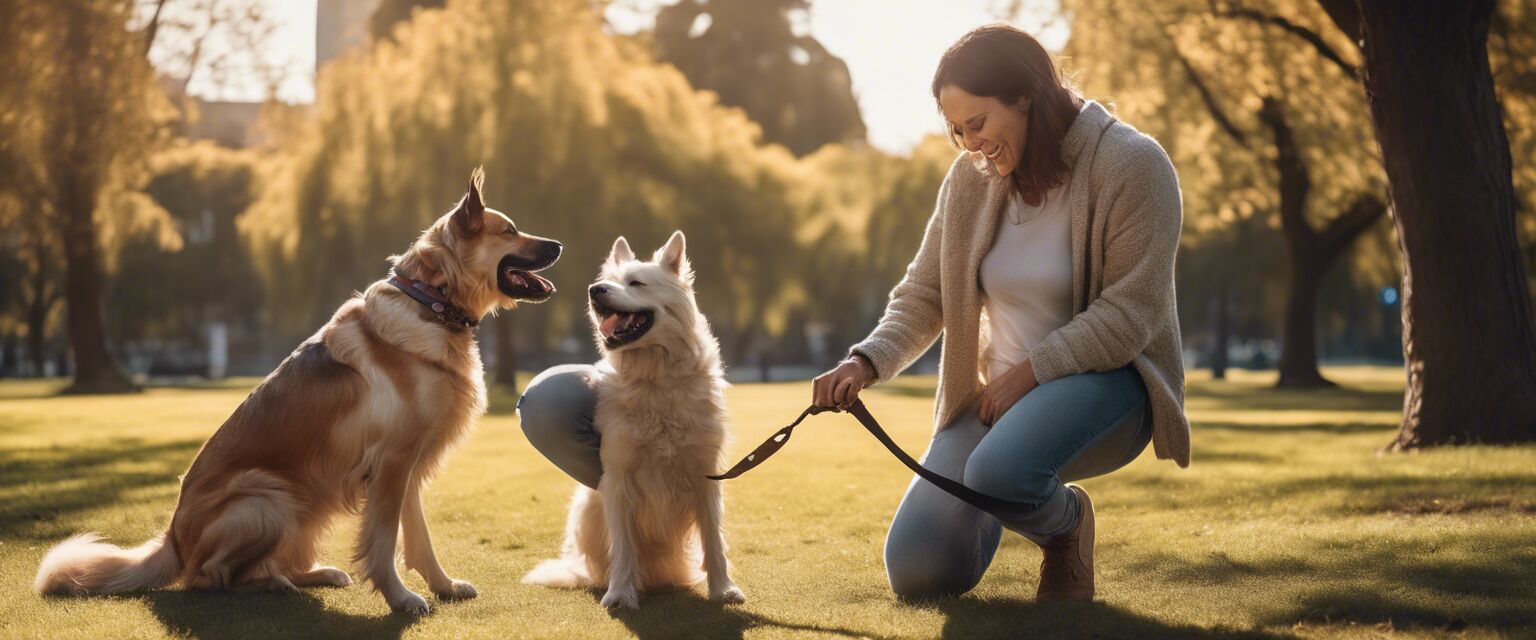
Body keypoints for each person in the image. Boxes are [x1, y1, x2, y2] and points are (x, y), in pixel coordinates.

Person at [811, 24, 1189, 601]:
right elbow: (925, 294)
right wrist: (864, 363)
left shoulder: (1134, 165)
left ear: (1026, 95)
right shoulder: (970, 181)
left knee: (997, 472)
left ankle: (1066, 528)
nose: (970, 144)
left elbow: (1128, 314)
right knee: (918, 572)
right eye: (957, 130)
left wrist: (1028, 373)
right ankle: (1012, 486)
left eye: (979, 124)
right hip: (996, 403)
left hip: (1113, 389)